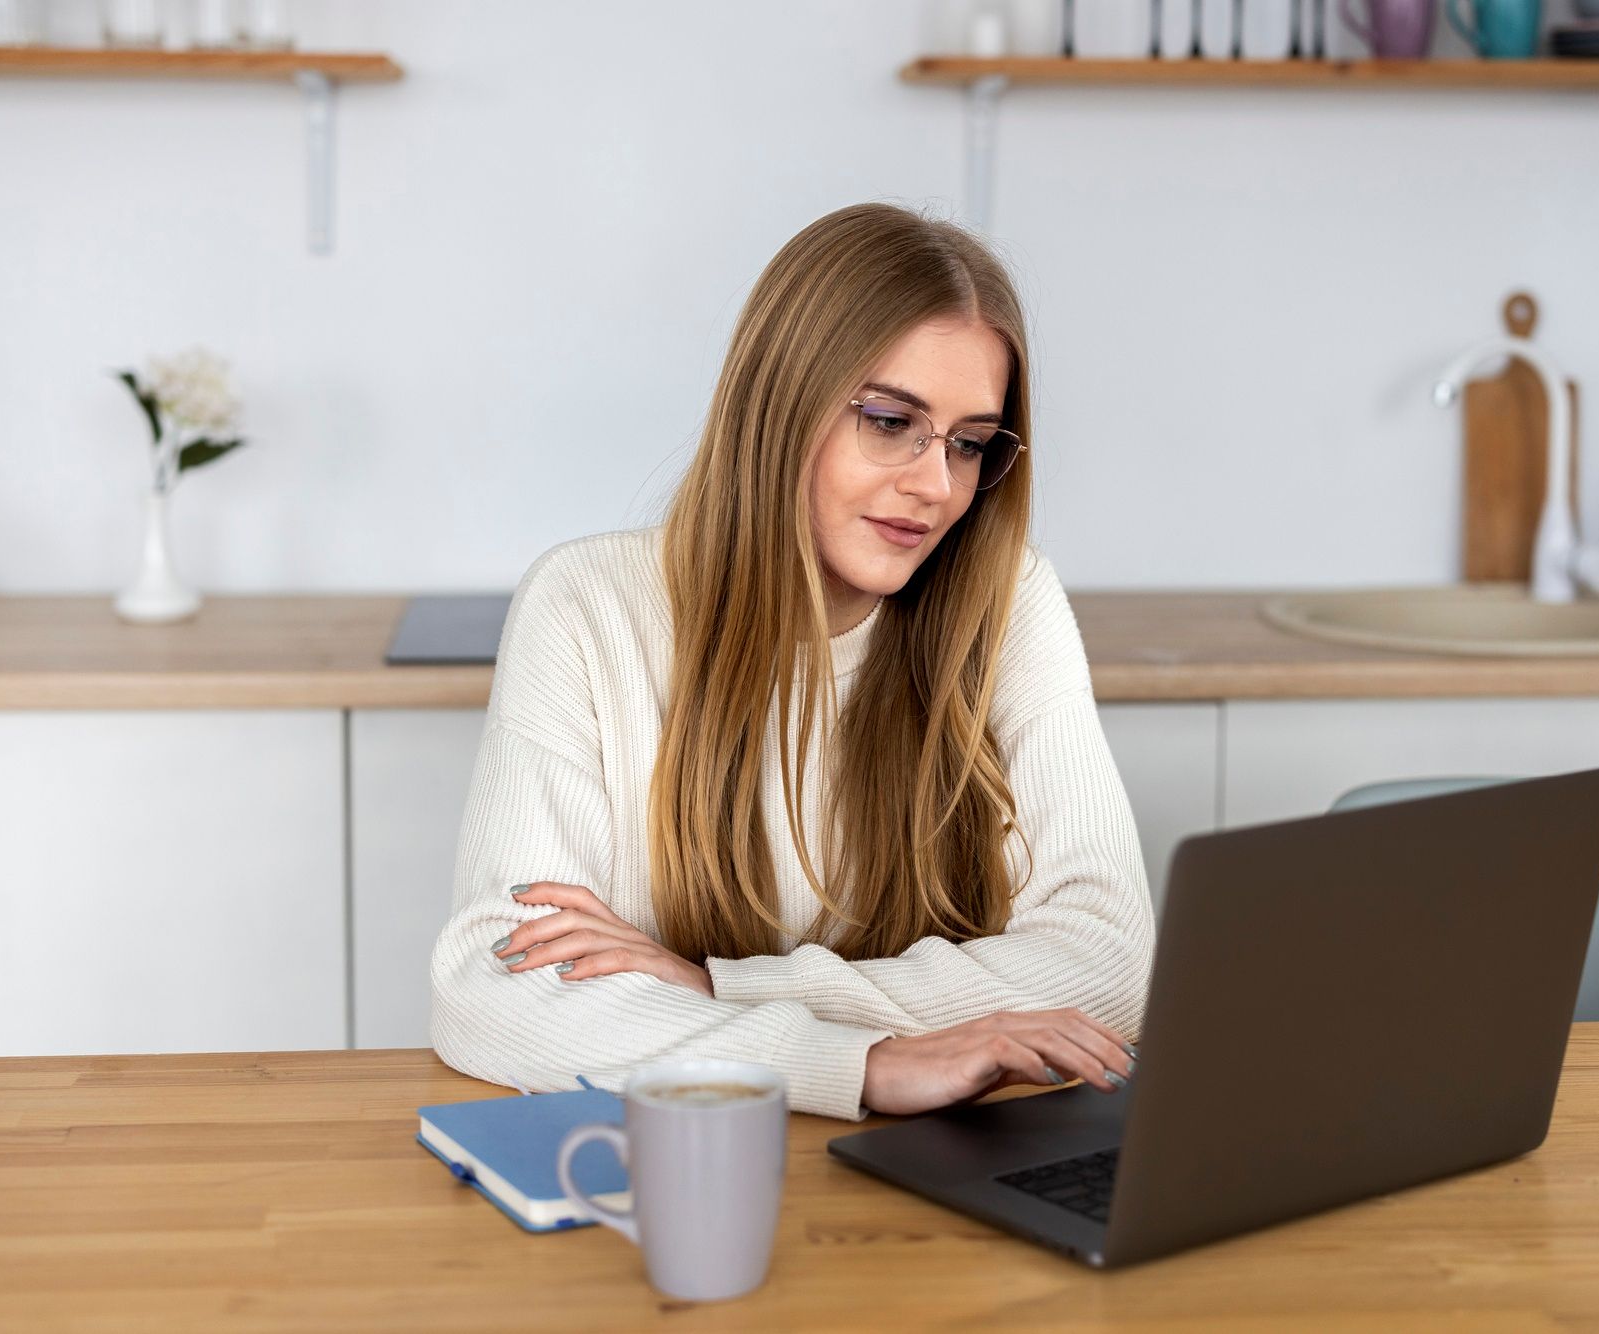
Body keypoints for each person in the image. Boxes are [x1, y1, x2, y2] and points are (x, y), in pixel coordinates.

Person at [429, 201, 1153, 1121]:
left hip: (942, 1172)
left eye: (970, 444)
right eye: (892, 421)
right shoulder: (587, 607)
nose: (937, 485)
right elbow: (495, 989)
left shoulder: (1009, 604)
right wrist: (863, 1066)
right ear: (780, 404)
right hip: (698, 1160)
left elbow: (1109, 970)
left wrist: (718, 990)